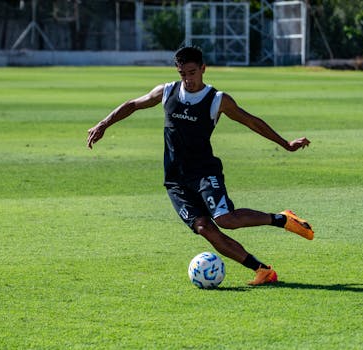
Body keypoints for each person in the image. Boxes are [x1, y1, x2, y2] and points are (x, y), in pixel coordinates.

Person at [87, 46, 314, 286]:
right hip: (175, 180)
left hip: (205, 172)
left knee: (225, 219)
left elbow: (251, 122)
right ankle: (263, 270)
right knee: (205, 227)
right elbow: (133, 104)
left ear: (203, 69)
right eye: (183, 73)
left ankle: (282, 219)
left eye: (192, 72)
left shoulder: (217, 100)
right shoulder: (166, 92)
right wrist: (104, 124)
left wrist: (286, 144)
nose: (188, 79)